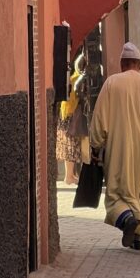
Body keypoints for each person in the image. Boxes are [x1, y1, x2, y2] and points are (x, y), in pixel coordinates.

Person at [89, 42, 140, 251]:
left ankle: (126, 221)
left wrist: (96, 146)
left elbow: (99, 121)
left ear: (122, 64)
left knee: (117, 194)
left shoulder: (112, 83)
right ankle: (138, 239)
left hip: (119, 150)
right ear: (139, 64)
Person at [55, 54, 88, 185]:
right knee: (70, 147)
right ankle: (69, 176)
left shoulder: (73, 78)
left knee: (69, 147)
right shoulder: (78, 79)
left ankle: (70, 175)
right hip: (70, 116)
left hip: (66, 114)